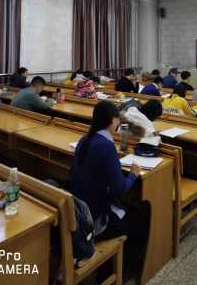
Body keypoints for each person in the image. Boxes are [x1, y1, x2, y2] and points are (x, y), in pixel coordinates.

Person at [70, 101, 147, 277]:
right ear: (112, 121)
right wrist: (133, 174)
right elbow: (119, 189)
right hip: (95, 220)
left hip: (80, 211)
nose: (118, 123)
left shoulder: (85, 139)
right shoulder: (105, 145)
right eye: (117, 120)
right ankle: (118, 272)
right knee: (141, 222)